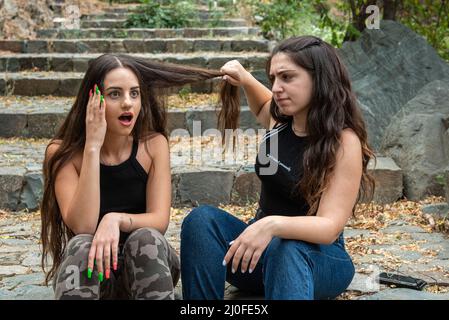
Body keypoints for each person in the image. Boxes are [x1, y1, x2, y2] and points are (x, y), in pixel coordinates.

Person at [180, 36, 376, 300]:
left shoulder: (344, 141)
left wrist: (271, 225)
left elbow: (329, 227)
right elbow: (262, 104)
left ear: (320, 78)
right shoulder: (282, 122)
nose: (277, 88)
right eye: (273, 78)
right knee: (201, 220)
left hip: (316, 261)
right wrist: (244, 76)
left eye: (287, 77)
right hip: (258, 258)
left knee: (287, 248)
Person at [40, 53, 234, 299]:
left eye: (134, 93)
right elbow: (84, 226)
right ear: (93, 101)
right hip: (94, 275)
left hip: (147, 267)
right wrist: (92, 147)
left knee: (145, 238)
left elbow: (159, 220)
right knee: (81, 243)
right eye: (114, 94)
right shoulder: (62, 153)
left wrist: (115, 219)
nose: (127, 103)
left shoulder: (153, 145)